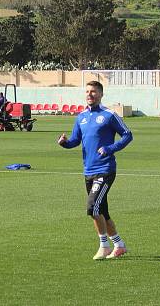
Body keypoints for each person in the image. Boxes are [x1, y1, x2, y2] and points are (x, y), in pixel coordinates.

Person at [58, 81, 133, 260]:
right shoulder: (81, 117)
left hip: (105, 169)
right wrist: (65, 143)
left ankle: (104, 246)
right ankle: (119, 245)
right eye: (87, 91)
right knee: (102, 212)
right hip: (88, 170)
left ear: (100, 94)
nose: (89, 94)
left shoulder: (109, 115)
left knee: (92, 207)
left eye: (93, 92)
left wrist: (110, 148)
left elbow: (128, 135)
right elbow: (75, 140)